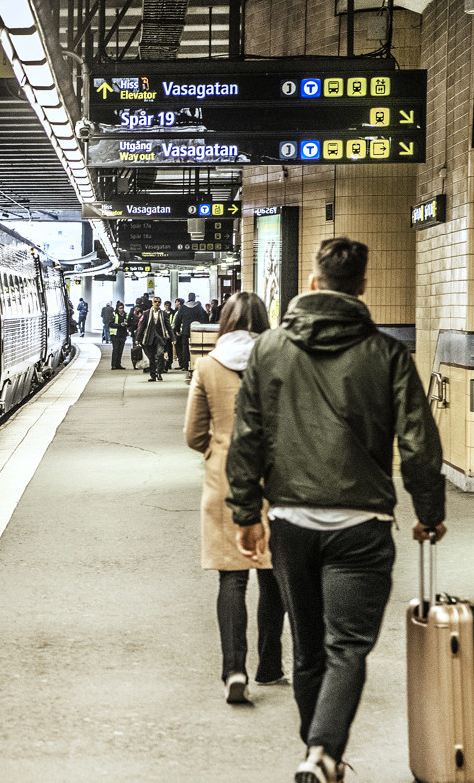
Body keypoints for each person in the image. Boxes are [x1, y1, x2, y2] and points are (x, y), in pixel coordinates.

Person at [226, 237, 446, 783]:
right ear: (362, 287)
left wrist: (245, 514)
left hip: (291, 523)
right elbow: (419, 442)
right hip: (361, 526)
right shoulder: (388, 354)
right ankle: (323, 752)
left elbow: (247, 438)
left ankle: (315, 752)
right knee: (346, 648)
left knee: (307, 648)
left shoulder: (270, 349)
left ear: (314, 284)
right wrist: (429, 510)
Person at [183, 291, 285, 705]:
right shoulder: (282, 362)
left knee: (232, 577)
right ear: (264, 320)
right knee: (274, 574)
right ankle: (271, 665)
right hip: (277, 480)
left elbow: (193, 434)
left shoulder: (207, 365)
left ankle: (234, 670)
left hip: (225, 479)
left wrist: (218, 448)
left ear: (224, 322)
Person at [138, 297, 170, 381]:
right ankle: (153, 375)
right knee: (151, 358)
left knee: (160, 354)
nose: (157, 303)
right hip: (149, 338)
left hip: (160, 338)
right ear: (152, 303)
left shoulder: (163, 314)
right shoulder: (147, 313)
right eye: (155, 302)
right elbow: (142, 327)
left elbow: (168, 327)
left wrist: (173, 337)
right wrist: (137, 338)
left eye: (159, 302)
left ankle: (159, 372)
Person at [175, 292, 207, 371]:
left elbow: (178, 319)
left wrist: (177, 329)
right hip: (197, 330)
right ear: (195, 297)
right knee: (197, 347)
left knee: (185, 347)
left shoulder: (183, 307)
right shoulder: (199, 306)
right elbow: (205, 317)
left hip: (186, 330)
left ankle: (185, 366)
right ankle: (196, 365)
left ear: (188, 297)